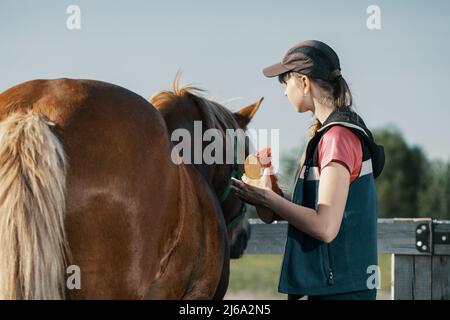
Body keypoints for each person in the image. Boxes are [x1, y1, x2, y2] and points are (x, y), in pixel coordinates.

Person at [231, 40, 385, 300]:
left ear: (303, 82)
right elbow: (308, 215)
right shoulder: (331, 134)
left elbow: (325, 227)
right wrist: (269, 195)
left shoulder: (338, 138)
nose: (283, 92)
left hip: (341, 292)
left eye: (285, 82)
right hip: (335, 287)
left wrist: (266, 198)